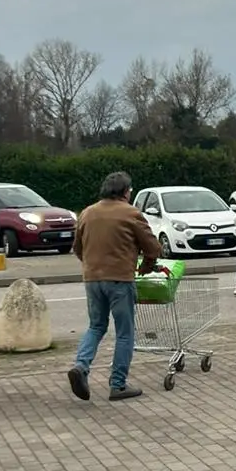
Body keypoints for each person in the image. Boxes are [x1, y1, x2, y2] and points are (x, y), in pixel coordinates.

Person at [68, 171, 163, 402]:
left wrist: (92, 266)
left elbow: (77, 248)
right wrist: (148, 266)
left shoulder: (87, 213)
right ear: (125, 191)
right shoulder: (131, 213)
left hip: (92, 279)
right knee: (124, 332)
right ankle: (118, 385)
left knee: (96, 326)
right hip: (120, 279)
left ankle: (81, 366)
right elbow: (153, 248)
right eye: (130, 190)